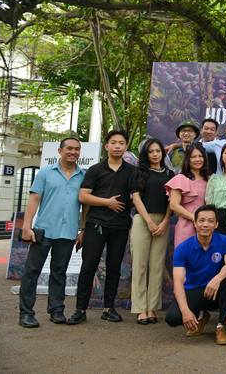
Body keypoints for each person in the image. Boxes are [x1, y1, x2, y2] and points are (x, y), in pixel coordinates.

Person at [68, 130, 135, 325]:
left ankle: (108, 308)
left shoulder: (131, 171)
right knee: (88, 267)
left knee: (114, 267)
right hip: (96, 224)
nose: (117, 146)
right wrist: (107, 202)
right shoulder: (95, 170)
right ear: (106, 146)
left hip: (120, 226)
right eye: (113, 143)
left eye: (121, 143)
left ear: (125, 147)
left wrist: (122, 207)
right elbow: (83, 197)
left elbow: (135, 198)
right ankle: (80, 309)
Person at [18, 138, 85, 328]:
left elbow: (85, 206)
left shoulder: (83, 176)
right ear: (60, 150)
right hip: (43, 230)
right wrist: (26, 226)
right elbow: (34, 198)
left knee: (59, 272)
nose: (73, 152)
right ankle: (26, 313)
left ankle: (56, 310)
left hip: (67, 232)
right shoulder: (46, 173)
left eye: (77, 149)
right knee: (32, 272)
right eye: (69, 148)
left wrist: (83, 230)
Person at [165, 205, 226, 345]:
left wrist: (217, 279)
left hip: (217, 291)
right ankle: (201, 315)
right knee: (173, 318)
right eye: (202, 220)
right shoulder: (183, 248)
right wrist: (185, 311)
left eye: (210, 221)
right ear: (195, 223)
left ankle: (222, 326)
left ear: (216, 224)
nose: (205, 225)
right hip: (196, 291)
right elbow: (178, 282)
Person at [130, 139, 174, 325]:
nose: (155, 154)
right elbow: (136, 198)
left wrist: (165, 221)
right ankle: (140, 309)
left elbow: (173, 200)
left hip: (163, 221)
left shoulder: (170, 174)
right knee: (140, 264)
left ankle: (151, 308)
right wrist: (148, 221)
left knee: (157, 266)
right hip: (142, 220)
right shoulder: (139, 172)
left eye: (158, 151)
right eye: (151, 151)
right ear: (145, 154)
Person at [166, 143, 210, 248]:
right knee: (184, 261)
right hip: (186, 226)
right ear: (188, 159)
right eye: (193, 157)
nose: (197, 159)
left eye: (200, 156)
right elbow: (174, 205)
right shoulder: (180, 178)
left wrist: (204, 221)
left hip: (206, 228)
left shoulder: (209, 180)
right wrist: (195, 218)